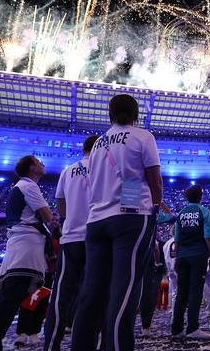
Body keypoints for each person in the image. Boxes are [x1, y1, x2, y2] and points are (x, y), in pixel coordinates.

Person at [71, 94, 163, 351]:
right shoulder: (143, 137)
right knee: (124, 289)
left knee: (92, 292)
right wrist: (155, 207)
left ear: (110, 114)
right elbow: (154, 180)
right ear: (135, 113)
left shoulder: (98, 143)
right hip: (131, 217)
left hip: (97, 219)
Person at [0, 156, 53, 351]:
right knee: (11, 297)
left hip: (22, 242)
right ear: (31, 167)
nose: (43, 164)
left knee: (8, 297)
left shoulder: (22, 186)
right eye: (39, 161)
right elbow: (48, 217)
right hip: (26, 243)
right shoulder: (29, 186)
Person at [44, 135, 97, 351]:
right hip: (96, 238)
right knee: (93, 294)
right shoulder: (107, 168)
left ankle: (51, 344)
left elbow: (61, 206)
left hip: (71, 237)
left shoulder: (68, 171)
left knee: (61, 295)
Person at [170, 184, 210, 340]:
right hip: (198, 255)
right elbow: (208, 235)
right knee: (195, 291)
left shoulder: (181, 213)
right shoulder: (203, 211)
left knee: (181, 293)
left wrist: (177, 257)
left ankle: (176, 330)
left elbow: (177, 239)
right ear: (201, 196)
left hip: (182, 255)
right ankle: (192, 328)